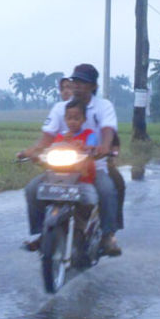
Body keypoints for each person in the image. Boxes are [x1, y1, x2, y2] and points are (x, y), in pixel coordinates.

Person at [17, 63, 122, 256]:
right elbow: (46, 137)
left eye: (82, 82)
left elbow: (108, 131)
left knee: (107, 190)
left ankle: (108, 236)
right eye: (75, 81)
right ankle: (41, 234)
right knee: (32, 189)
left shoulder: (103, 106)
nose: (77, 85)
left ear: (92, 86)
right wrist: (30, 152)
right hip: (61, 168)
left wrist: (104, 146)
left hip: (92, 166)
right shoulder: (60, 108)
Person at [21, 99, 99, 247]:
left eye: (77, 118)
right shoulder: (59, 137)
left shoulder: (89, 135)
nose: (73, 121)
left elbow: (92, 147)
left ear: (83, 119)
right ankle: (39, 233)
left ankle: (81, 228)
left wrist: (85, 147)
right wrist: (34, 155)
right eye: (69, 118)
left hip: (81, 179)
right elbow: (47, 151)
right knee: (31, 189)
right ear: (64, 119)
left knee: (89, 198)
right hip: (55, 178)